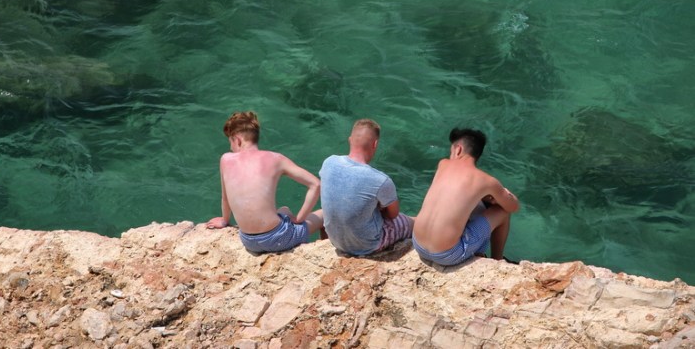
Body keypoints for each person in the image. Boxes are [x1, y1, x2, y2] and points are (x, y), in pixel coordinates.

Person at [206, 111, 324, 253]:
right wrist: (299, 218)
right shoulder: (276, 159)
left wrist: (224, 220)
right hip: (278, 239)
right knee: (325, 214)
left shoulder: (225, 159)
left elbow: (225, 198)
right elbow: (316, 184)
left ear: (237, 140)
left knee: (284, 210)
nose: (231, 147)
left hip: (248, 241)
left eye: (230, 141)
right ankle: (327, 251)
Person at [412, 128, 519, 266]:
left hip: (418, 245)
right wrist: (504, 194)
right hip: (446, 255)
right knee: (502, 211)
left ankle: (480, 252)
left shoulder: (443, 164)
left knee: (473, 203)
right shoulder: (486, 180)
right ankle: (497, 261)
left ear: (458, 149)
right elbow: (512, 207)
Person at [319, 119, 414, 256]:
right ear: (375, 144)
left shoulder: (329, 162)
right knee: (412, 222)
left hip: (336, 241)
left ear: (350, 140)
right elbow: (393, 215)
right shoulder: (380, 180)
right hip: (367, 245)